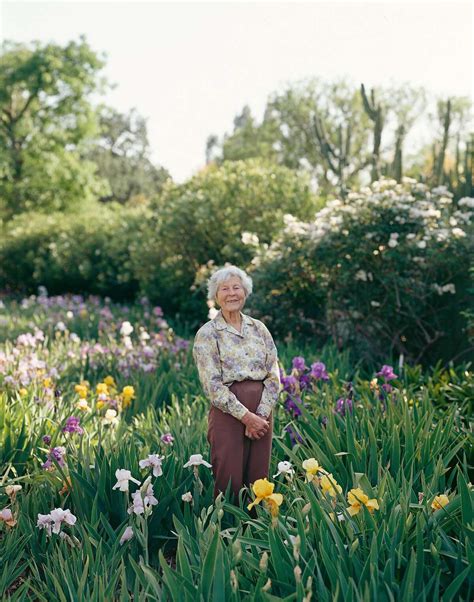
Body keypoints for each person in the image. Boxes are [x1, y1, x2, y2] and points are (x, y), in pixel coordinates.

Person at [192, 265, 281, 505]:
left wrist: (259, 417)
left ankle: (259, 534)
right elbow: (212, 385)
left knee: (258, 479)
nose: (232, 293)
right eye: (225, 289)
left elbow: (274, 375)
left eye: (236, 287)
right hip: (228, 412)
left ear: (245, 292)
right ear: (216, 295)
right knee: (228, 477)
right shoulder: (208, 333)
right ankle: (229, 533)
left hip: (262, 410)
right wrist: (246, 417)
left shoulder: (259, 328)